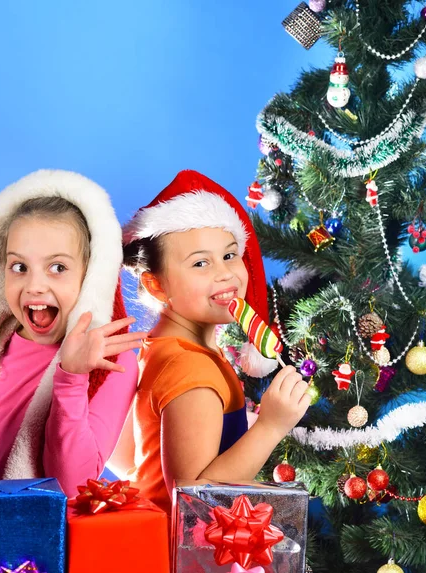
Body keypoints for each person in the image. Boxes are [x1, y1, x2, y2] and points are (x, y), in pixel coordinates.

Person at [119, 169, 310, 513]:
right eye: (200, 263)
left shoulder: (170, 347)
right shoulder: (189, 368)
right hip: (180, 554)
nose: (224, 273)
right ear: (157, 285)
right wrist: (270, 426)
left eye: (229, 254)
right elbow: (193, 496)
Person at [0, 169, 145, 496]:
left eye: (58, 268)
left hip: (29, 537)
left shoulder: (111, 362)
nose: (35, 286)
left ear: (92, 275)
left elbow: (71, 485)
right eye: (19, 267)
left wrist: (72, 376)